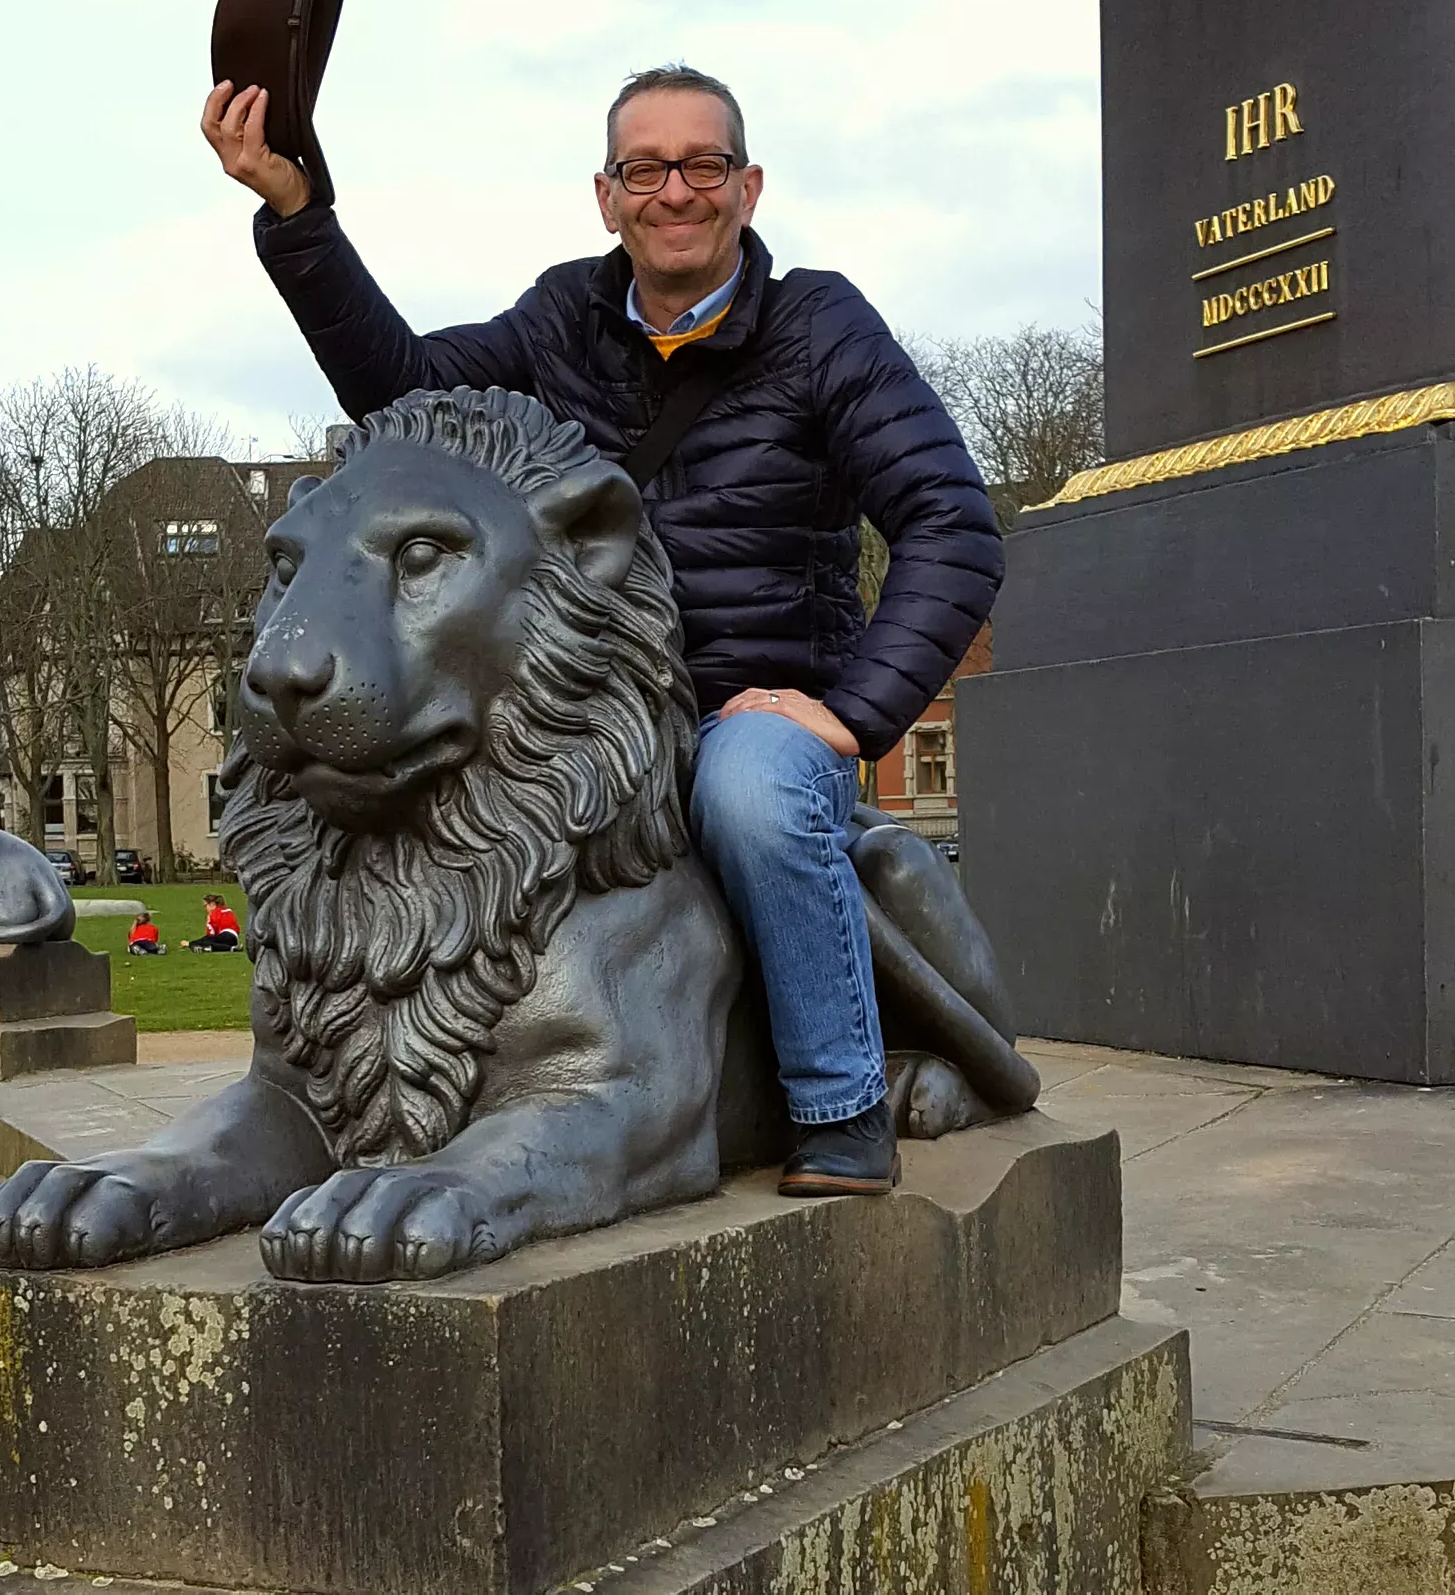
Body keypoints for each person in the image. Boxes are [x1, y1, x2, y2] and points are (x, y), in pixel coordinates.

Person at [201, 61, 1003, 1196]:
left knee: (745, 790)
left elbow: (950, 524)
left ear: (748, 186)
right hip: (598, 710)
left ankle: (837, 1105)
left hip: (747, 706)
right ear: (606, 194)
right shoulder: (560, 318)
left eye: (702, 164)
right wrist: (297, 216)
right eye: (644, 167)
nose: (674, 190)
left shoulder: (820, 326)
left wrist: (851, 712)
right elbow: (407, 397)